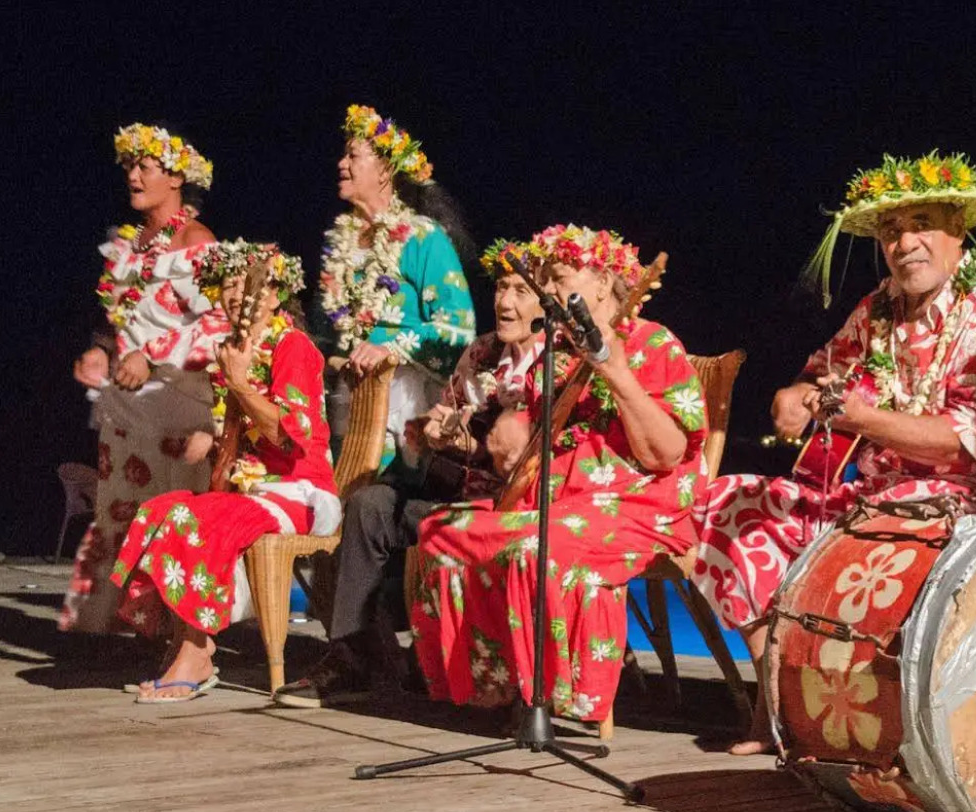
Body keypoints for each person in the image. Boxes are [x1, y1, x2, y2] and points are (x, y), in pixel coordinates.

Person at [689, 151, 976, 754]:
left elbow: (971, 445)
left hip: (960, 503)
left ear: (958, 231)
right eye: (890, 231)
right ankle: (775, 698)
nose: (903, 242)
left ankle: (868, 719)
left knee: (867, 537)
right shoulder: (879, 308)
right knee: (729, 505)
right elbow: (817, 373)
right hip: (868, 492)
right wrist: (795, 397)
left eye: (921, 225)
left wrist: (865, 420)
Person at [408, 224, 707, 725]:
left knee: (537, 547)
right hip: (550, 501)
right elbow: (519, 449)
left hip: (634, 504)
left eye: (558, 277)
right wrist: (497, 438)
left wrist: (613, 369)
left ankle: (559, 695)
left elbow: (666, 454)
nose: (546, 290)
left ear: (602, 283)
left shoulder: (654, 343)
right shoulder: (553, 354)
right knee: (441, 531)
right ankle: (496, 685)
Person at [272, 236, 553, 707]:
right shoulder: (481, 353)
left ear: (545, 301)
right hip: (460, 490)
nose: (504, 301)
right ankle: (354, 657)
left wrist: (472, 444)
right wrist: (431, 433)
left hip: (513, 503)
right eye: (501, 288)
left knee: (426, 522)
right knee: (370, 504)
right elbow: (449, 425)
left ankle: (432, 663)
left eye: (520, 291)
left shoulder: (554, 361)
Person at [109, 242, 339, 701]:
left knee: (197, 519)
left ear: (276, 295)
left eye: (248, 284)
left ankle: (196, 652)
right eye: (228, 284)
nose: (235, 294)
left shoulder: (293, 346)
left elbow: (289, 437)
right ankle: (184, 643)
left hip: (301, 493)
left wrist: (238, 384)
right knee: (161, 509)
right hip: (252, 494)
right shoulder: (233, 347)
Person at [62, 124, 221, 635]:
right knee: (120, 507)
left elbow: (217, 326)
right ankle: (120, 623)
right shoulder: (129, 246)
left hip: (180, 405)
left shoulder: (196, 241)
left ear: (175, 177)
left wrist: (152, 360)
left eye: (144, 167)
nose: (132, 176)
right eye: (129, 167)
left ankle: (177, 630)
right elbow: (120, 322)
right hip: (129, 407)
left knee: (168, 514)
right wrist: (101, 351)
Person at [318, 104, 477, 467]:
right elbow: (330, 328)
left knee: (378, 501)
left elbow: (458, 327)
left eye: (353, 155)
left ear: (386, 170)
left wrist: (392, 349)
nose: (342, 164)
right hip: (348, 395)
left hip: (404, 395)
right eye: (343, 154)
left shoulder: (421, 237)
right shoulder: (340, 244)